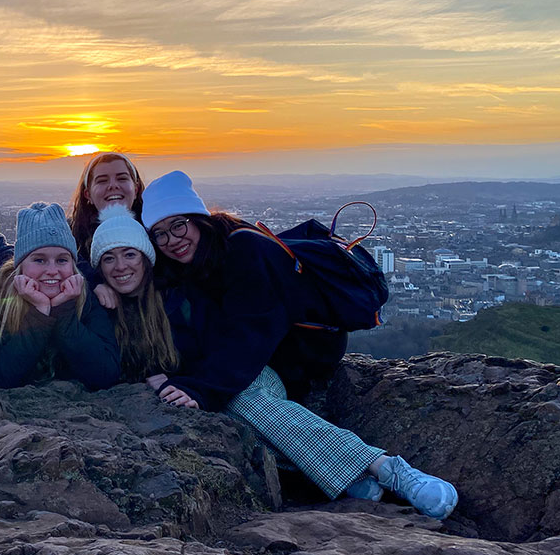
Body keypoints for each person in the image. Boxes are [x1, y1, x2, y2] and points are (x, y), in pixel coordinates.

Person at [139, 170, 458, 520]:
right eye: (160, 233)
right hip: (260, 358)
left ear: (199, 219)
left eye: (179, 225)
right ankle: (350, 478)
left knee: (239, 398)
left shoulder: (244, 250)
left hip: (299, 358)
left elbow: (251, 332)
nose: (172, 239)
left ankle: (387, 467)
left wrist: (201, 388)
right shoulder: (189, 267)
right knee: (225, 408)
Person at [0, 202, 120, 390]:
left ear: (73, 264)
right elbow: (1, 375)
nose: (52, 271)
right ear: (20, 264)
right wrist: (39, 313)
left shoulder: (86, 296)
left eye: (62, 260)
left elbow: (105, 374)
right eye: (39, 260)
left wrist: (64, 312)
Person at [89, 205, 179, 382]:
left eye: (129, 255)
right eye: (108, 258)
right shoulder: (98, 310)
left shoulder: (175, 302)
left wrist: (178, 381)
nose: (120, 266)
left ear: (145, 259)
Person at [67, 152, 145, 263]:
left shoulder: (158, 236)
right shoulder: (71, 244)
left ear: (135, 189)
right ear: (88, 195)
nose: (113, 186)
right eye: (102, 181)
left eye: (122, 178)